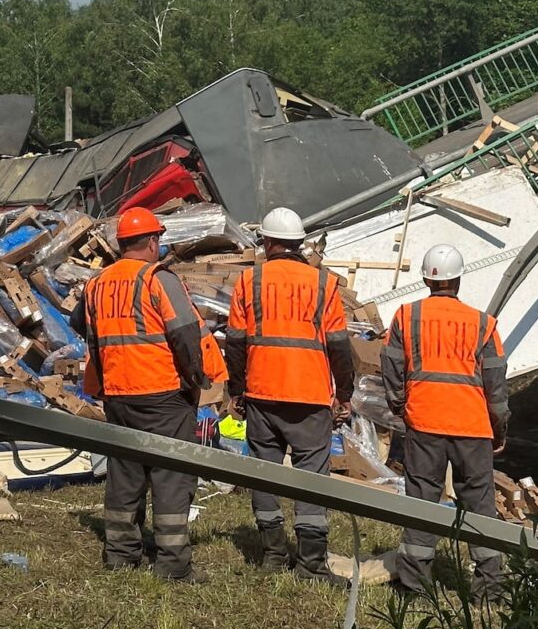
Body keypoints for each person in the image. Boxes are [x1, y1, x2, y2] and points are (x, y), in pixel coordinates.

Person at [71, 207, 223, 583]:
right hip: (162, 393)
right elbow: (186, 334)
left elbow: (79, 322)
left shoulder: (97, 283)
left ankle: (121, 554)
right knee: (171, 476)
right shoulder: (158, 279)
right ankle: (172, 564)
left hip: (118, 394)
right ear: (153, 241)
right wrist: (196, 379)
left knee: (125, 472)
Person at [225, 207, 354, 584]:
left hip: (262, 393)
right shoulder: (323, 284)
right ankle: (311, 563)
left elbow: (234, 343)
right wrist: (343, 395)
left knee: (264, 476)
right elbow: (340, 347)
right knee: (312, 479)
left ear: (267, 242)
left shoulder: (249, 281)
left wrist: (238, 390)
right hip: (310, 397)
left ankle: (273, 555)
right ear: (300, 244)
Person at [382, 244, 510, 599]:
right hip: (472, 427)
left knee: (422, 500)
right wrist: (498, 428)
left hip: (424, 421)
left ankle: (415, 587)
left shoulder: (406, 316)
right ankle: (488, 588)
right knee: (480, 504)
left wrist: (399, 406)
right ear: (458, 279)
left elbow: (391, 367)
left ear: (426, 277)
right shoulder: (484, 323)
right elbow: (496, 386)